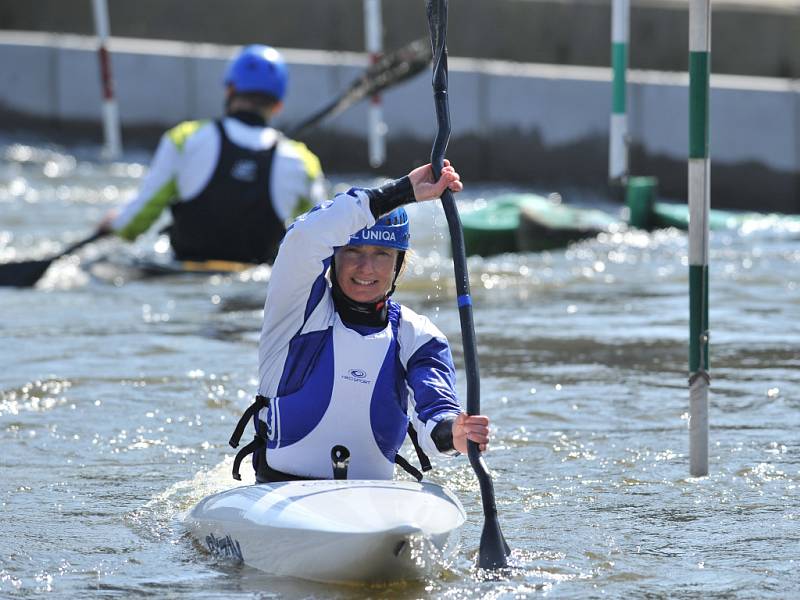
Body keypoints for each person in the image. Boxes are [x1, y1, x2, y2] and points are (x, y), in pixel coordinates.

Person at [229, 160, 491, 482]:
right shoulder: (295, 311)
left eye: (381, 254)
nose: (366, 268)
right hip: (279, 490)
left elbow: (434, 413)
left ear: (398, 264)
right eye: (353, 251)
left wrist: (455, 433)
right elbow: (305, 238)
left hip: (371, 500)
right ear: (333, 255)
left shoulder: (419, 336)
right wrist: (402, 192)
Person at [100, 44, 326, 264]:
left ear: (230, 90)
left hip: (182, 274)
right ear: (278, 106)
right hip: (255, 284)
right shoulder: (302, 162)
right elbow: (321, 239)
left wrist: (115, 225)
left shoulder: (185, 139)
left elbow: (138, 219)